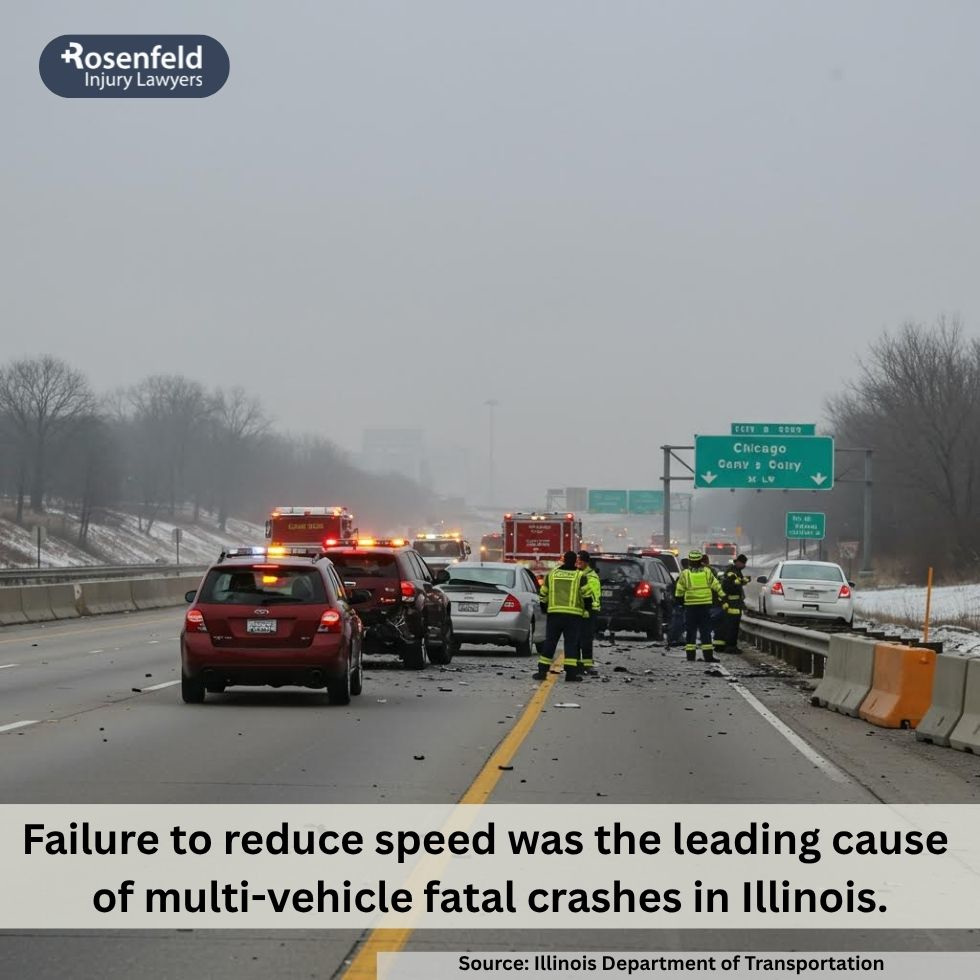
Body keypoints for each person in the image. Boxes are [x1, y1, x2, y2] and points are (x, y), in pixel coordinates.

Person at [536, 550, 589, 682]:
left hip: (554, 615)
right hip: (573, 616)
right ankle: (571, 674)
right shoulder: (580, 576)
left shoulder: (552, 574)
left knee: (550, 642)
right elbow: (587, 596)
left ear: (564, 560)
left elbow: (543, 594)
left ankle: (542, 672)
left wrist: (545, 608)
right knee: (571, 644)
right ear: (575, 561)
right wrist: (587, 610)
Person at [675, 550, 724, 663]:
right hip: (704, 606)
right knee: (705, 632)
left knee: (690, 631)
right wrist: (723, 597)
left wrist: (679, 601)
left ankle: (690, 656)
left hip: (690, 607)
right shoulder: (707, 572)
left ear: (690, 560)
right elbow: (716, 585)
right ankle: (708, 656)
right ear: (700, 560)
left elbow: (679, 589)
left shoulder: (685, 573)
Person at [575, 550, 602, 675]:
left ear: (585, 562)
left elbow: (588, 594)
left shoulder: (589, 576)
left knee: (585, 639)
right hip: (579, 610)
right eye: (576, 562)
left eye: (579, 562)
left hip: (589, 610)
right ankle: (576, 663)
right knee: (576, 638)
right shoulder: (580, 574)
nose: (577, 564)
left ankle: (586, 664)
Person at [719, 553, 750, 652]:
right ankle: (730, 646)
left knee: (732, 625)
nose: (744, 566)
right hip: (732, 603)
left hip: (735, 603)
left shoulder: (737, 571)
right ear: (739, 562)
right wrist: (742, 581)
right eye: (743, 563)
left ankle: (729, 645)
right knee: (732, 626)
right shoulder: (732, 572)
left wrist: (742, 581)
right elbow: (730, 585)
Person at [666, 557, 689, 650]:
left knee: (680, 622)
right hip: (682, 602)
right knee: (679, 622)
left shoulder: (683, 575)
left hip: (681, 602)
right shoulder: (686, 576)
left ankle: (676, 638)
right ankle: (674, 638)